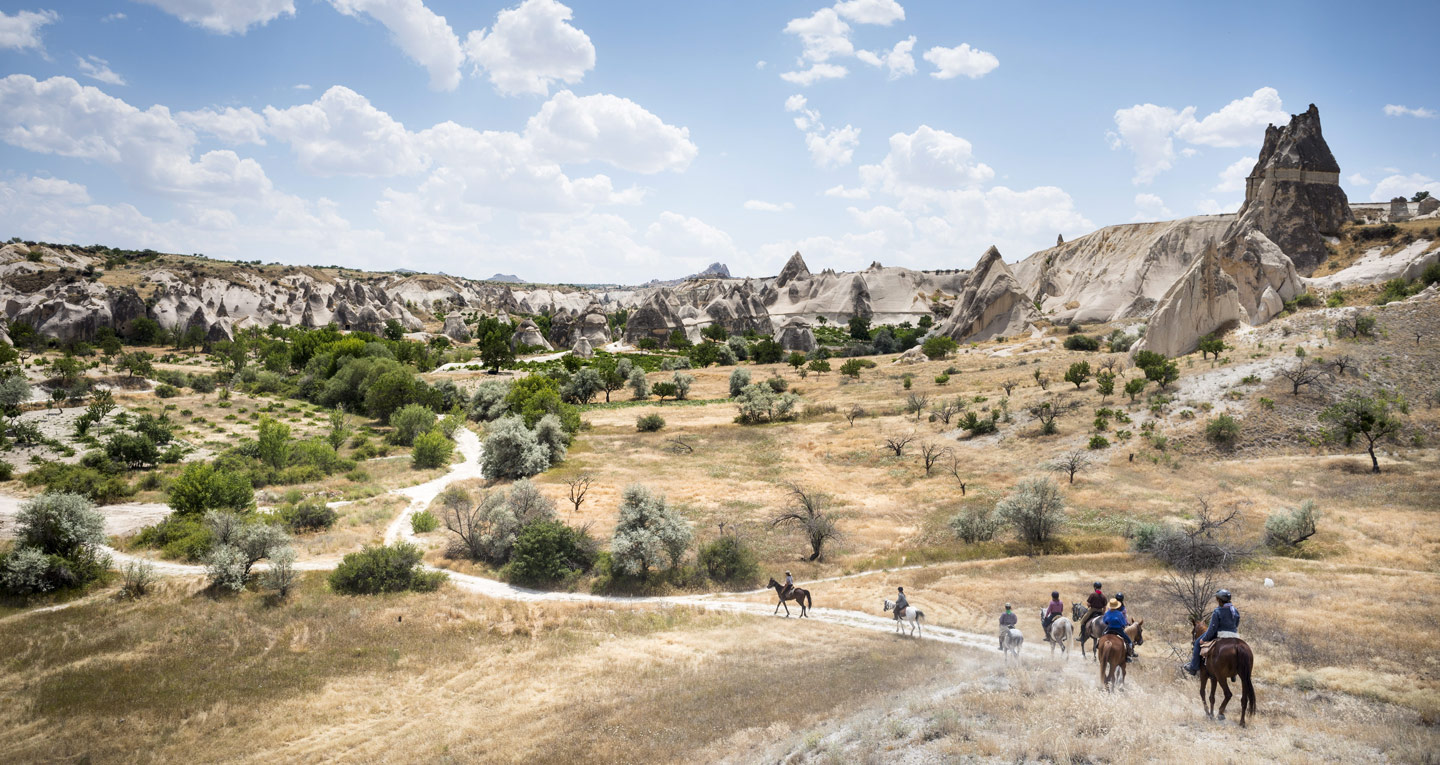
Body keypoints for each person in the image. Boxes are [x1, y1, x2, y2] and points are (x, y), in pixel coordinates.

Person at [1184, 589, 1241, 676]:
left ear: (1219, 600)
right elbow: (1236, 624)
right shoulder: (1235, 610)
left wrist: (1204, 639)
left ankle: (1193, 667)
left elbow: (1212, 629)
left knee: (1196, 643)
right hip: (1234, 635)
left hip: (1220, 633)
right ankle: (1234, 674)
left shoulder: (1217, 611)